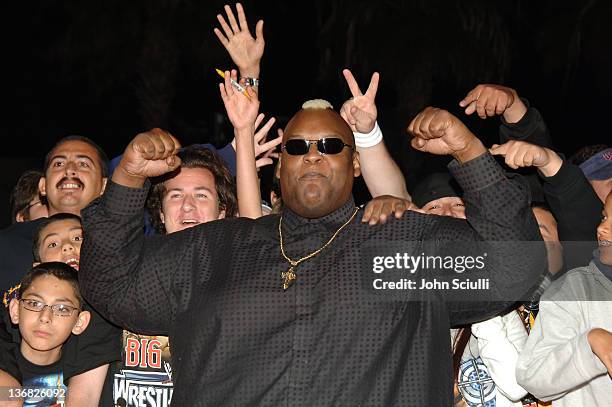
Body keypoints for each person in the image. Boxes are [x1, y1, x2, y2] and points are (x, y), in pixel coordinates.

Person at [78, 69, 543, 405]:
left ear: (355, 163)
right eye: (297, 147)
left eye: (331, 146)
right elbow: (112, 287)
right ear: (279, 166)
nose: (314, 156)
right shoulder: (213, 249)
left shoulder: (404, 248)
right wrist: (129, 181)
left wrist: (468, 149)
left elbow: (513, 270)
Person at [516, 191, 612, 406]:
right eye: (604, 217)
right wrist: (590, 343)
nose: (602, 228)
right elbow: (532, 377)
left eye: (540, 234)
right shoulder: (573, 292)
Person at [7, 262, 91, 406]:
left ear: (79, 322)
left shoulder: (86, 378)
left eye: (62, 309)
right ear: (16, 311)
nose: (45, 317)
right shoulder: (4, 372)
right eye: (34, 303)